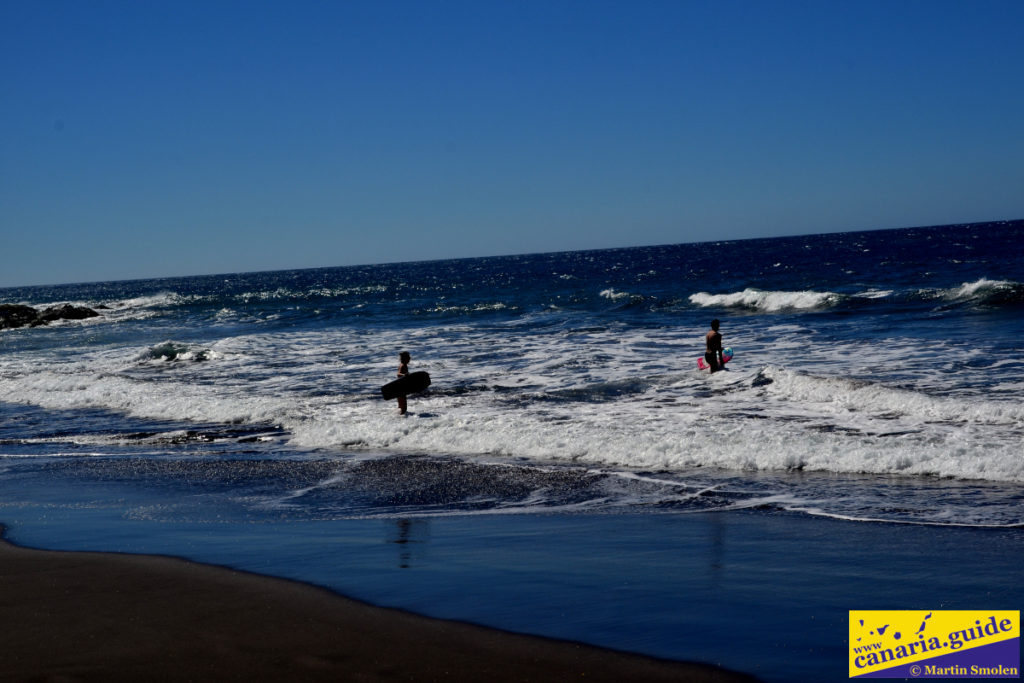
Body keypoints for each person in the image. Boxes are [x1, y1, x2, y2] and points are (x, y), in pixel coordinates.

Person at [396, 351, 411, 415]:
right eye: (409, 357)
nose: (410, 359)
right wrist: (404, 375)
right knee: (404, 407)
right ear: (405, 359)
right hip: (401, 389)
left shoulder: (403, 365)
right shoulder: (403, 365)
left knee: (402, 407)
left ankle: (400, 417)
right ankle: (401, 419)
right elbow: (398, 374)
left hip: (400, 388)